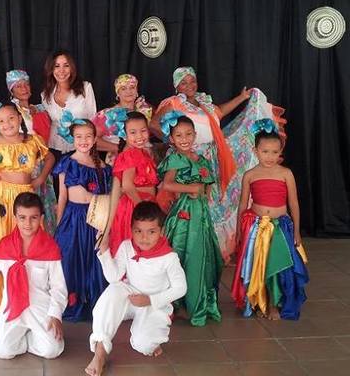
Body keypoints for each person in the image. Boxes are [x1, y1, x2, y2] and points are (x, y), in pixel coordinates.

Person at [151, 66, 282, 260]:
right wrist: (175, 142)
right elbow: (154, 124)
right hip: (190, 157)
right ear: (177, 85)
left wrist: (242, 98)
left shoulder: (204, 102)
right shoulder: (174, 103)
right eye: (184, 82)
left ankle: (214, 248)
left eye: (192, 80)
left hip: (211, 157)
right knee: (193, 201)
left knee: (213, 201)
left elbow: (219, 112)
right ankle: (191, 248)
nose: (189, 85)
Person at [0, 103, 56, 305]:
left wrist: (41, 177)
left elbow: (49, 157)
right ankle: (3, 292)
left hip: (25, 197)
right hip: (0, 199)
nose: (7, 124)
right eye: (1, 121)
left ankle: (27, 288)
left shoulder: (32, 141)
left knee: (27, 242)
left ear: (19, 118)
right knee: (1, 242)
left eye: (11, 118)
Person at [85, 202, 186, 376]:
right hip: (131, 295)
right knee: (113, 291)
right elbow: (114, 277)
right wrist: (104, 250)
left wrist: (150, 300)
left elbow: (181, 288)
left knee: (143, 345)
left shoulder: (169, 257)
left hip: (154, 303)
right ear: (131, 229)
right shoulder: (126, 246)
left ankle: (152, 337)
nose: (144, 238)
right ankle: (99, 352)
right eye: (138, 231)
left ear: (161, 232)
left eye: (151, 232)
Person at [0, 192, 67, 360]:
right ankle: (23, 336)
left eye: (33, 218)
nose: (27, 223)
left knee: (53, 350)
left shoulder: (50, 247)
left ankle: (32, 337)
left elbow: (59, 287)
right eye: (22, 217)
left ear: (41, 218)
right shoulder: (6, 245)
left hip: (39, 306)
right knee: (1, 351)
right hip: (12, 305)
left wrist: (55, 315)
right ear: (15, 218)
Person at [231, 120, 309, 320]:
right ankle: (258, 301)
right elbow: (242, 204)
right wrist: (239, 231)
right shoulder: (250, 175)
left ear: (280, 151)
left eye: (275, 152)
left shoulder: (286, 174)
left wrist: (297, 231)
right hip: (256, 227)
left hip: (279, 227)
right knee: (258, 265)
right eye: (265, 151)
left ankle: (274, 304)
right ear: (255, 150)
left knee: (276, 265)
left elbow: (294, 204)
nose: (270, 157)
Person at [158, 114, 224, 327]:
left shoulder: (202, 160)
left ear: (195, 135)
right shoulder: (175, 158)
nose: (184, 138)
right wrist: (190, 188)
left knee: (203, 255)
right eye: (178, 135)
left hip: (201, 213)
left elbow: (208, 186)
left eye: (188, 134)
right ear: (172, 138)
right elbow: (166, 185)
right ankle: (178, 303)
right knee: (183, 254)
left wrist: (203, 190)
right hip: (184, 214)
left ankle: (198, 300)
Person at [52, 119, 114, 322]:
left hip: (95, 220)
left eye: (88, 136)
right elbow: (62, 196)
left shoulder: (103, 167)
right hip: (73, 219)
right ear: (73, 139)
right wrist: (59, 225)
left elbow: (102, 199)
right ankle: (72, 303)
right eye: (79, 137)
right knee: (72, 260)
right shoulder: (68, 163)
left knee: (93, 261)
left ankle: (96, 304)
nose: (84, 140)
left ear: (95, 139)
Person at [6, 69, 57, 234]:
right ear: (11, 90)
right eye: (18, 86)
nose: (24, 88)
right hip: (24, 164)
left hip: (43, 160)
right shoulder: (12, 112)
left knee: (44, 204)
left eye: (26, 84)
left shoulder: (40, 108)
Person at [107, 111, 159, 256]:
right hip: (135, 206)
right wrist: (142, 210)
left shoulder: (141, 152)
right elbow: (128, 186)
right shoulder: (131, 153)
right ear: (125, 134)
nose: (139, 136)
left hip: (142, 203)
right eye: (133, 132)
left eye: (143, 131)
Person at [40, 50, 97, 156]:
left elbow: (93, 119)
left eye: (66, 65)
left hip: (81, 148)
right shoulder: (45, 95)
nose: (61, 70)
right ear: (51, 69)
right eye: (57, 66)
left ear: (72, 68)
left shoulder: (86, 88)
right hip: (54, 148)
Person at [93, 74, 152, 164]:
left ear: (136, 90)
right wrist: (119, 148)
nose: (128, 91)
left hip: (144, 157)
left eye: (132, 87)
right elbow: (91, 138)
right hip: (119, 160)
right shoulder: (107, 115)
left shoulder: (144, 109)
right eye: (123, 88)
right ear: (118, 92)